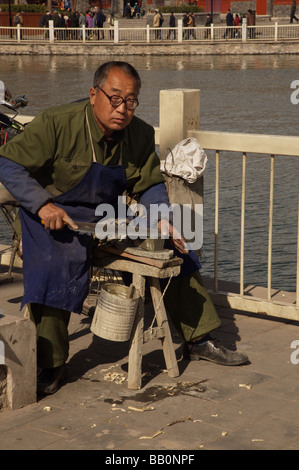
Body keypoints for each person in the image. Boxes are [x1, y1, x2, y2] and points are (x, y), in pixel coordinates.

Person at [0, 61, 248, 395]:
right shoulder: (56, 123)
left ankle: (199, 338)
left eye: (131, 100)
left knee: (174, 243)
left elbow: (148, 185)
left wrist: (160, 216)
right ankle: (52, 363)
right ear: (93, 94)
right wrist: (42, 203)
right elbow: (8, 163)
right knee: (55, 265)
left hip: (106, 214)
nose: (122, 108)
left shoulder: (141, 134)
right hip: (52, 213)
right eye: (114, 98)